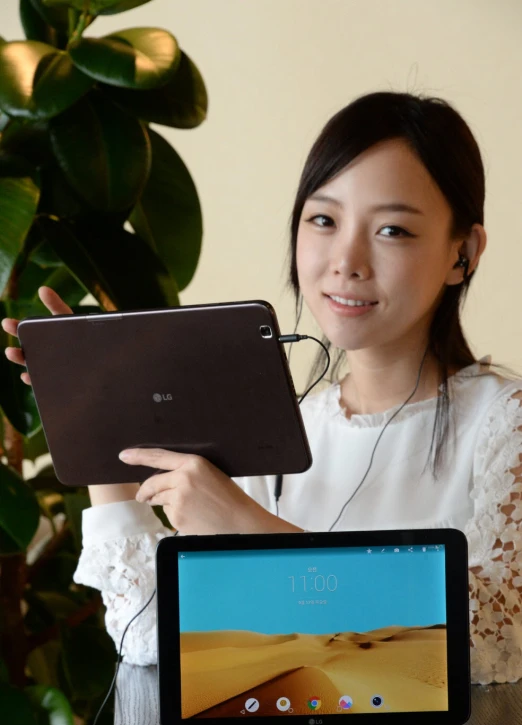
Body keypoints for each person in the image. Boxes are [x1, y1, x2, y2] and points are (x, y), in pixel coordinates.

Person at [3, 91, 522, 685]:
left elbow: (494, 639)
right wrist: (100, 426)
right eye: (323, 220)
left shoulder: (505, 423)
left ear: (464, 253)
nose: (346, 260)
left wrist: (249, 527)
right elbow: (151, 639)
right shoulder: (271, 426)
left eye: (393, 230)